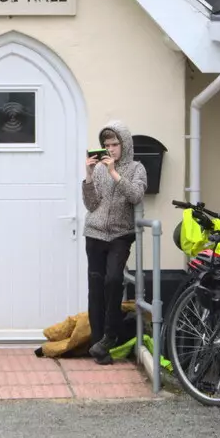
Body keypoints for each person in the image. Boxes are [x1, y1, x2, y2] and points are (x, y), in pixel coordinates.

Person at [81, 121, 147, 365]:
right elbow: (90, 204)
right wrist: (89, 176)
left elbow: (136, 195)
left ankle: (110, 335)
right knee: (95, 287)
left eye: (115, 144)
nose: (110, 149)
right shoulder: (98, 169)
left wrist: (114, 173)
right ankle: (98, 346)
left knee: (113, 280)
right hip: (94, 233)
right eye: (106, 145)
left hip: (121, 234)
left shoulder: (136, 168)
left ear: (125, 144)